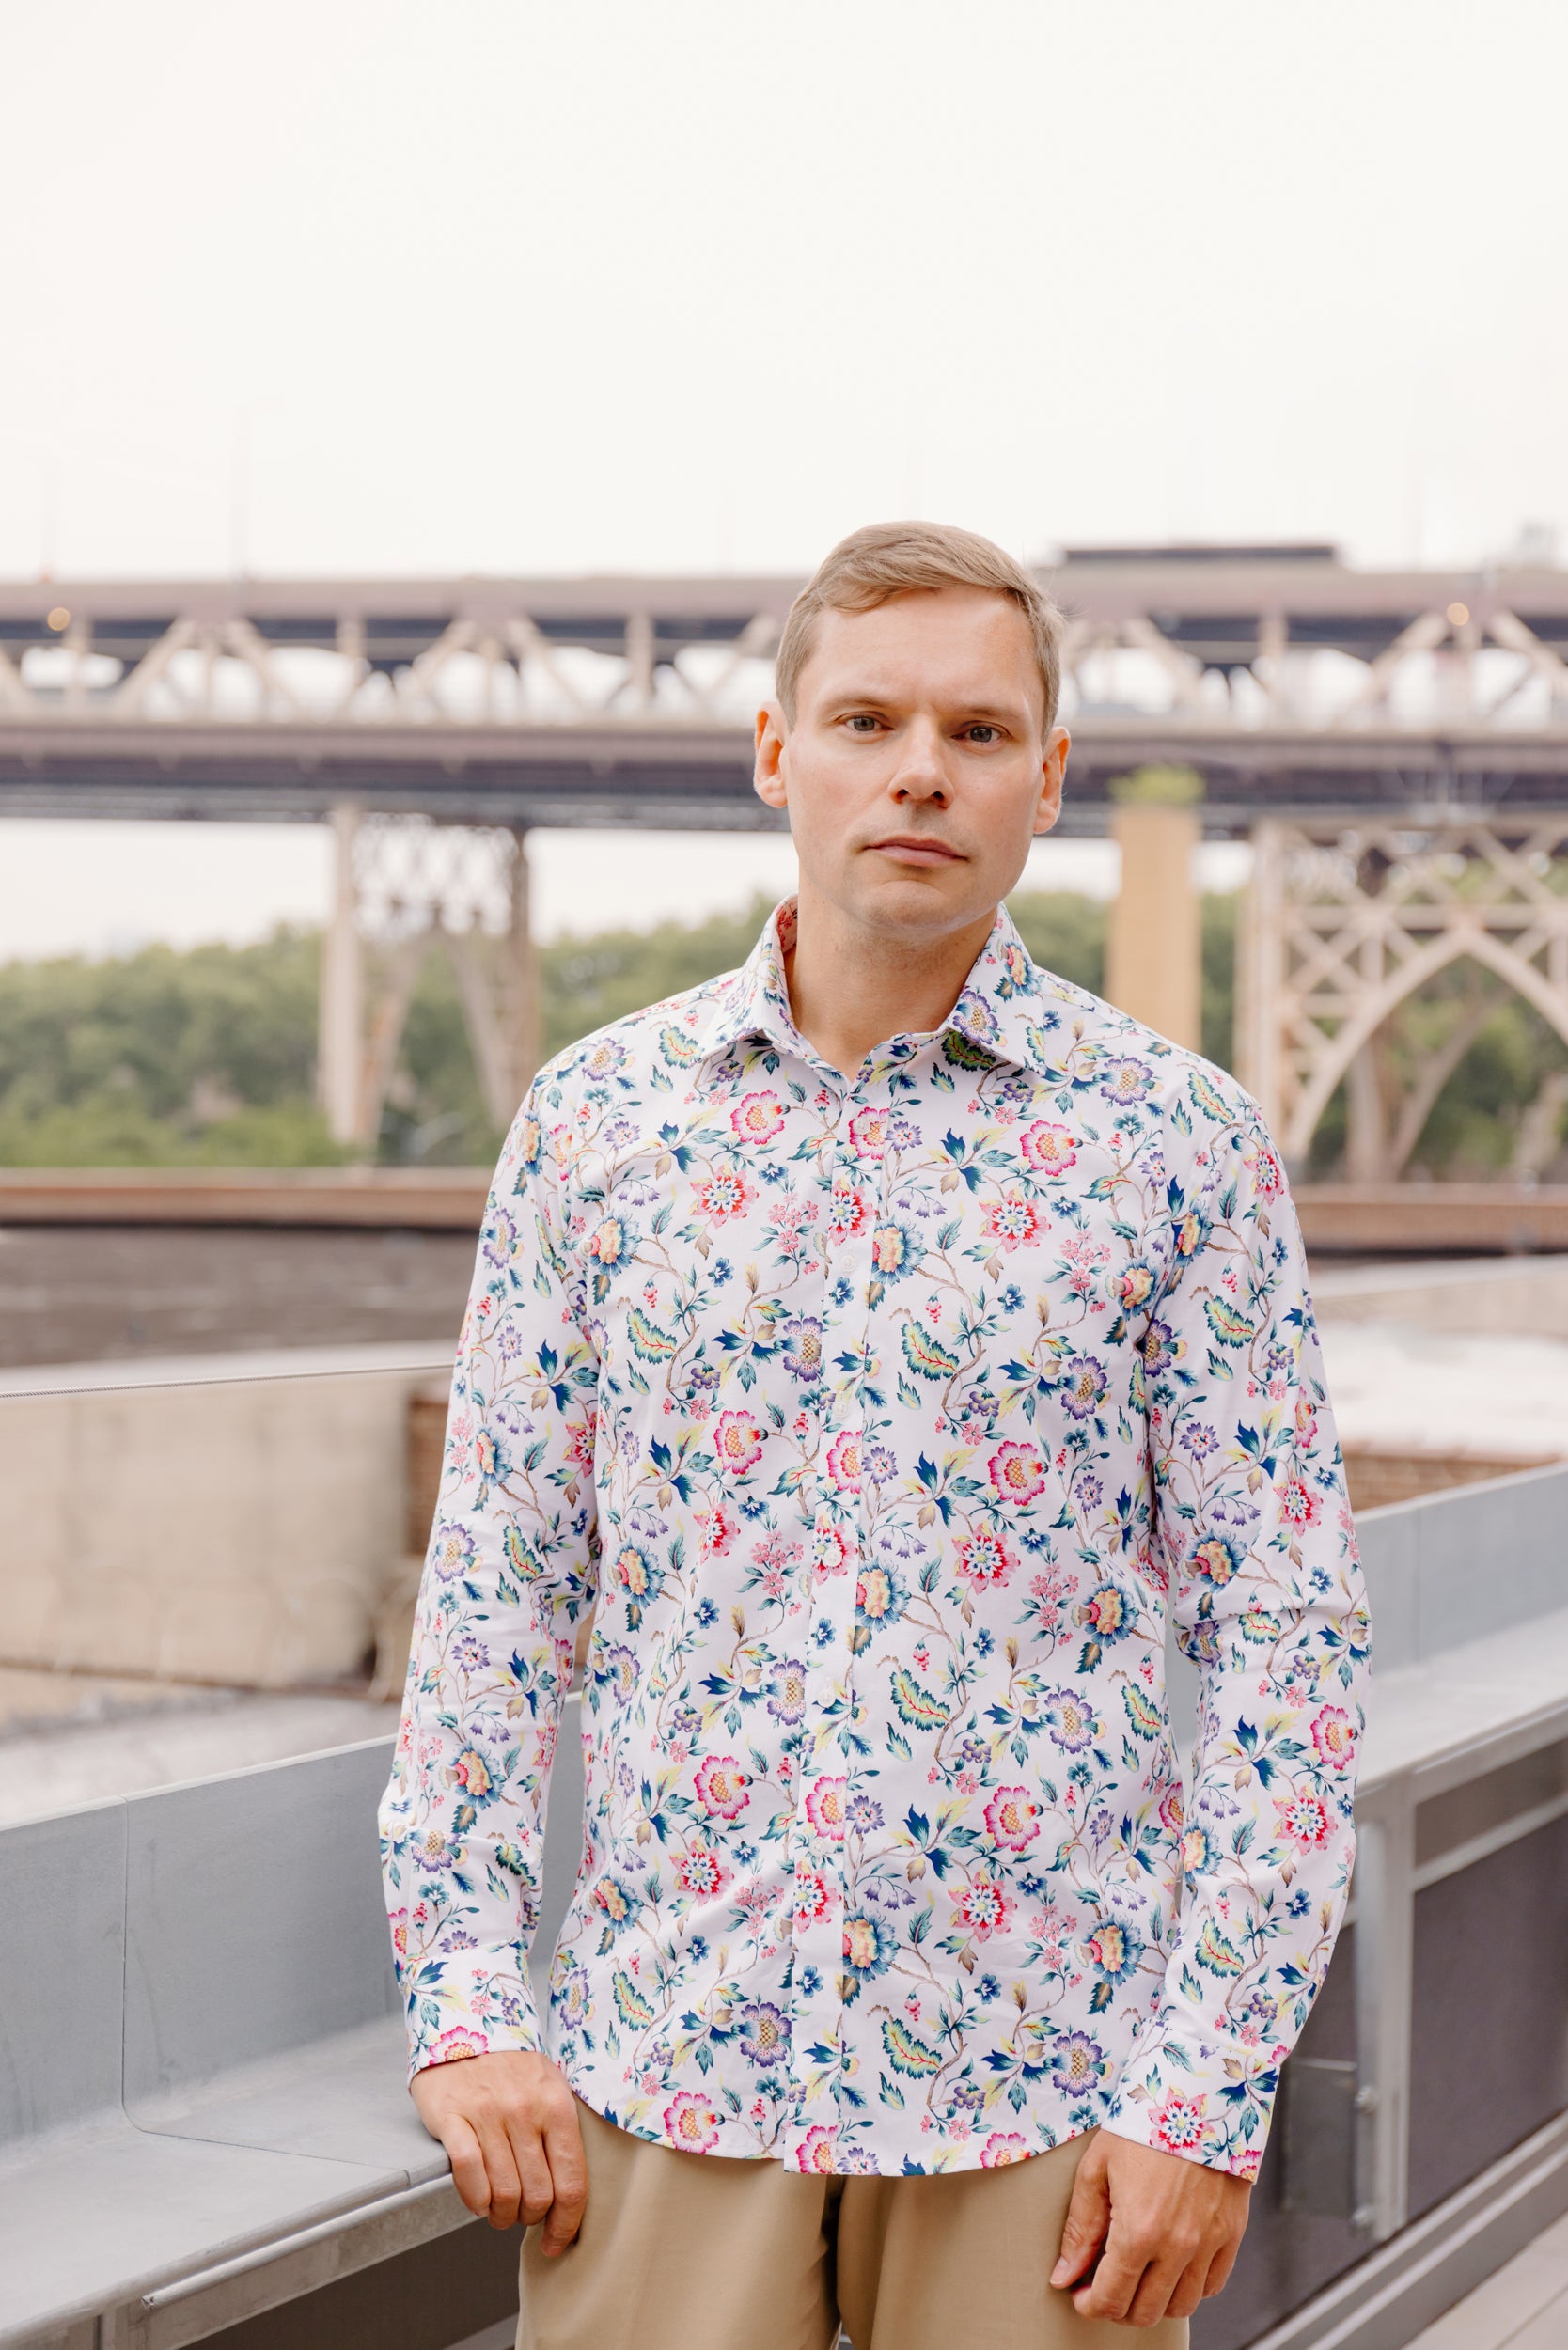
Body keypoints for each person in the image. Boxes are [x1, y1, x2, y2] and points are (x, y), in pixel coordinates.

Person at [378, 522, 1370, 2346]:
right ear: (779, 754)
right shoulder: (596, 1128)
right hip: (664, 2067)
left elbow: (1288, 1647)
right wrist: (463, 1999)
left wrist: (1210, 2088)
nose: (922, 766)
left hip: (1049, 2096)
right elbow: (498, 1597)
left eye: (980, 732)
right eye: (867, 718)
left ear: (1048, 781)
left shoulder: (1178, 1145)